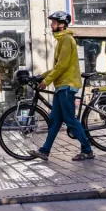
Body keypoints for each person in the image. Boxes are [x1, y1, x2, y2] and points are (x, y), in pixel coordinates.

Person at [29, 11, 94, 161]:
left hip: (67, 86)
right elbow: (57, 67)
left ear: (62, 25)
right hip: (61, 87)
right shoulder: (61, 40)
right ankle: (44, 151)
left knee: (70, 120)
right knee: (55, 120)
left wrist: (46, 81)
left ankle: (87, 150)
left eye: (54, 22)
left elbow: (62, 66)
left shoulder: (66, 39)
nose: (51, 25)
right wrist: (41, 76)